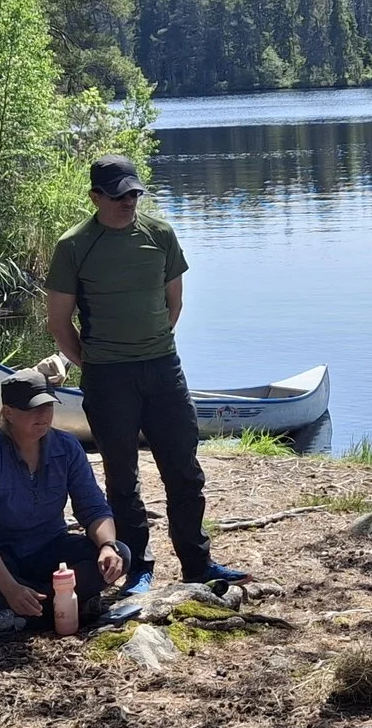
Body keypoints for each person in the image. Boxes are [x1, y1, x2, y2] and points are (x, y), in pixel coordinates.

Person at [43, 153, 246, 590]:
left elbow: (174, 303)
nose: (128, 201)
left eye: (134, 193)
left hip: (163, 370)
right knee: (121, 475)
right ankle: (137, 566)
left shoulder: (160, 234)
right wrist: (93, 362)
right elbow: (59, 323)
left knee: (184, 470)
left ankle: (197, 565)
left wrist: (150, 346)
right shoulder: (74, 245)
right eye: (118, 195)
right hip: (107, 376)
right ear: (95, 197)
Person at [0, 371, 132, 640]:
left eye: (47, 406)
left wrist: (107, 546)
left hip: (50, 551)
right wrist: (10, 588)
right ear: (8, 413)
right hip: (2, 558)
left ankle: (30, 612)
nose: (43, 415)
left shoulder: (67, 447)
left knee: (121, 554)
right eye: (32, 408)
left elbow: (93, 507)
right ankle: (61, 606)